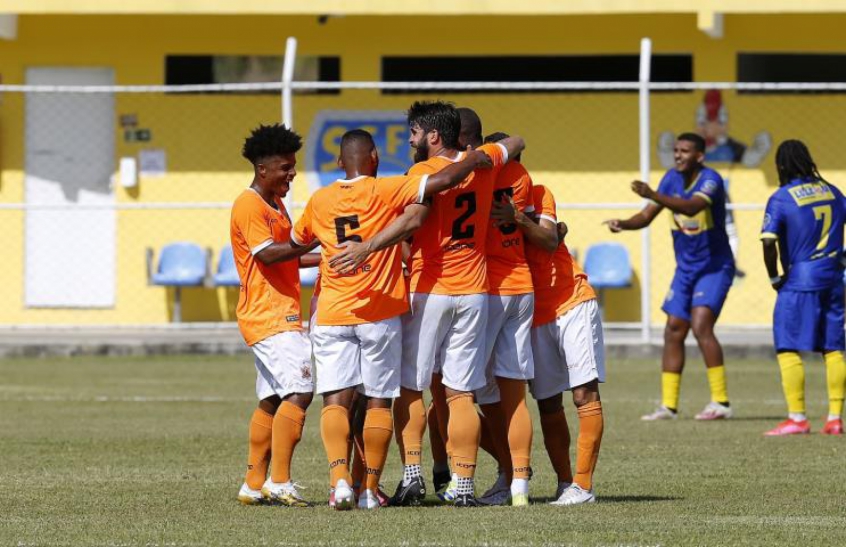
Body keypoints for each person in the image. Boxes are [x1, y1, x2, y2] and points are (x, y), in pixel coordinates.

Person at [328, 101, 525, 507]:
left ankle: (413, 473)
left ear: (433, 136)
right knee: (461, 392)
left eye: (414, 133)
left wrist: (367, 248)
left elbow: (413, 221)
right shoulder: (484, 161)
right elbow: (517, 140)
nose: (410, 141)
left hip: (430, 288)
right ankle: (464, 484)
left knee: (410, 386)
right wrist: (478, 156)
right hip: (475, 291)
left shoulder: (421, 174)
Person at [291, 128, 493, 510]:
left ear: (339, 162)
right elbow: (441, 182)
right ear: (375, 158)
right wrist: (473, 158)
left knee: (336, 400)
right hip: (380, 312)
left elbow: (297, 242)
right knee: (379, 402)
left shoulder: (319, 200)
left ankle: (339, 483)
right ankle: (369, 490)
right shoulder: (387, 189)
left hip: (332, 311)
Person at [604, 133, 735, 421]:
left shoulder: (711, 179)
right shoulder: (670, 179)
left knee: (701, 325)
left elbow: (692, 207)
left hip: (714, 266)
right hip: (685, 269)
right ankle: (668, 406)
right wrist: (623, 223)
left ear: (699, 156)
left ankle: (721, 402)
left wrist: (653, 194)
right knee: (674, 328)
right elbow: (646, 216)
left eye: (684, 151)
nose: (678, 155)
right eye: (675, 150)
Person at [494, 178, 606, 505]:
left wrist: (518, 218)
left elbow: (548, 239)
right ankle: (565, 482)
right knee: (547, 402)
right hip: (532, 315)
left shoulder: (539, 193)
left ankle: (583, 485)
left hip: (572, 301)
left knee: (584, 393)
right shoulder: (483, 201)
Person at [231, 123, 320, 507]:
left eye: (293, 166)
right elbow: (268, 255)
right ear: (263, 168)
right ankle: (280, 480)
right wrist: (315, 237)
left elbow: (287, 258)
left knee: (272, 399)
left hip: (275, 312)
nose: (292, 173)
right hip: (269, 315)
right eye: (285, 167)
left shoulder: (275, 204)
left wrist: (330, 257)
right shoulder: (249, 204)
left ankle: (253, 484)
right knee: (301, 391)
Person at [460, 119, 538, 507]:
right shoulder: (522, 176)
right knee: (515, 394)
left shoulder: (475, 172)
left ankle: (499, 474)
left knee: (469, 391)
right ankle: (520, 484)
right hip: (522, 286)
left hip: (488, 288)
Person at [760, 139, 846, 436]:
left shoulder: (782, 197)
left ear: (781, 165)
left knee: (787, 345)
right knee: (833, 347)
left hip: (800, 281)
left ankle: (797, 418)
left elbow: (768, 242)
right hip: (833, 279)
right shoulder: (832, 191)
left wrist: (774, 278)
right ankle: (835, 418)